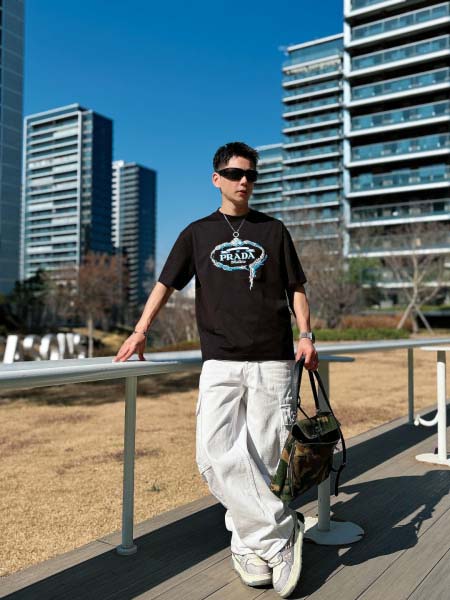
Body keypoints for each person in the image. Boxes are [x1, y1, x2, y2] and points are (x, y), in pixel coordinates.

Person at [114, 141, 318, 598]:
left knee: (267, 458)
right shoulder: (197, 233)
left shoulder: (274, 230)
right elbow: (166, 284)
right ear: (216, 179)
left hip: (273, 360)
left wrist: (306, 335)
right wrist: (141, 330)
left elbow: (296, 288)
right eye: (234, 173)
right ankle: (281, 534)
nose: (244, 181)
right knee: (213, 454)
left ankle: (248, 547)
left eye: (251, 175)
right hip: (220, 361)